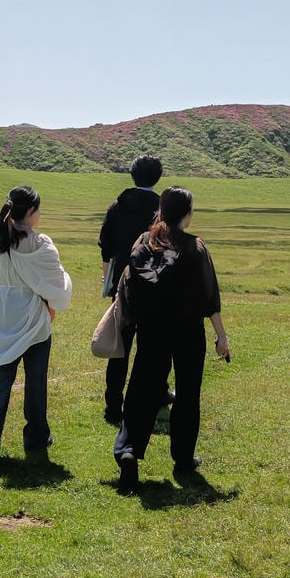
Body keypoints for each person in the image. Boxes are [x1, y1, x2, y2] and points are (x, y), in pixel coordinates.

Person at [112, 186, 229, 491]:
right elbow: (209, 299)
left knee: (141, 389)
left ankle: (129, 451)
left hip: (151, 329)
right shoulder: (195, 247)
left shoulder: (143, 242)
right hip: (188, 331)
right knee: (188, 393)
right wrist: (221, 338)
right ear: (187, 215)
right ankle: (183, 457)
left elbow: (129, 286)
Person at [0, 186, 73, 464]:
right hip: (33, 313)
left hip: (3, 311)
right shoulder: (40, 243)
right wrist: (51, 306)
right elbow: (56, 282)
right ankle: (36, 435)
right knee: (36, 380)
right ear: (30, 212)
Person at [97, 154, 163, 425]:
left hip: (123, 284)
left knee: (119, 346)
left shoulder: (117, 204)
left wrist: (108, 283)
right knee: (153, 347)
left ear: (132, 175)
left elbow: (106, 245)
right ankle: (153, 396)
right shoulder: (162, 206)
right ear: (158, 177)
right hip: (155, 285)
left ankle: (113, 405)